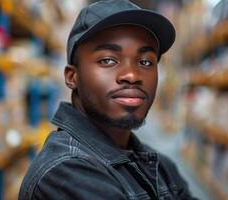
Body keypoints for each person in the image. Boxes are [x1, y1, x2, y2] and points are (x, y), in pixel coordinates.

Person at [19, 0, 196, 199]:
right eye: (108, 60)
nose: (131, 75)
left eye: (145, 62)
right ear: (72, 77)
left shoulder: (161, 167)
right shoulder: (64, 173)